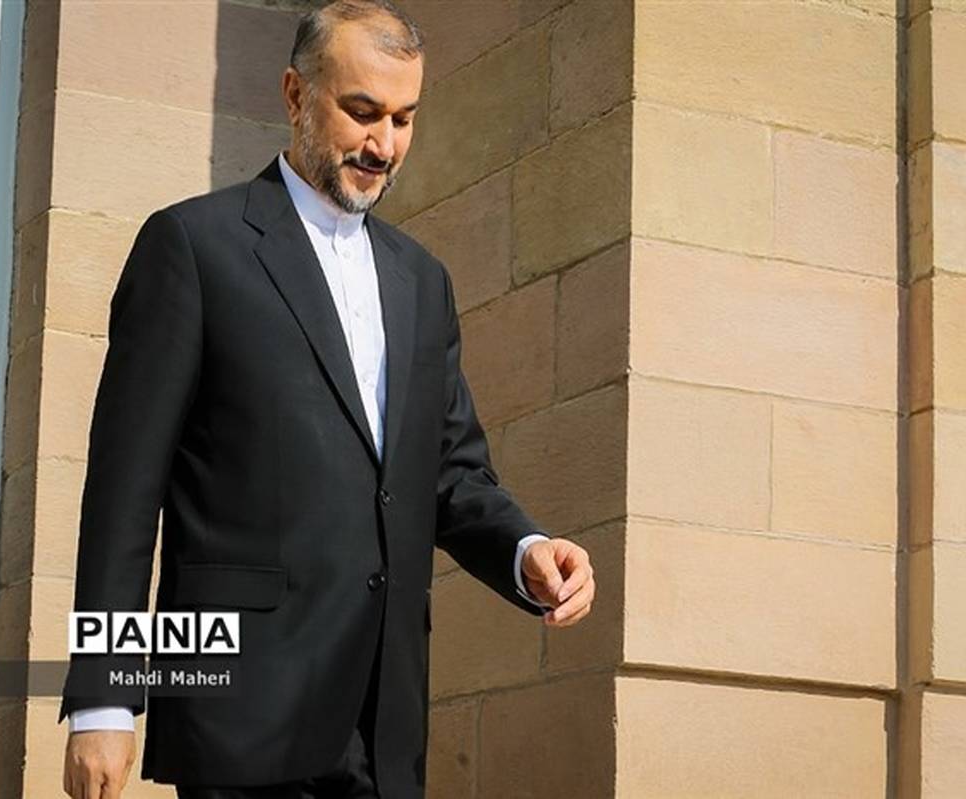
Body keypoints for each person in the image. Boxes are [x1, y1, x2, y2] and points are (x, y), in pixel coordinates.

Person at [58, 2, 595, 796]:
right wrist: (105, 698)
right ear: (295, 95)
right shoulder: (193, 248)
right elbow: (123, 492)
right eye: (363, 111)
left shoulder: (424, 282)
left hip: (384, 723)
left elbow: (450, 470)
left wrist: (525, 550)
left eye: (404, 119)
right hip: (243, 712)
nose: (384, 145)